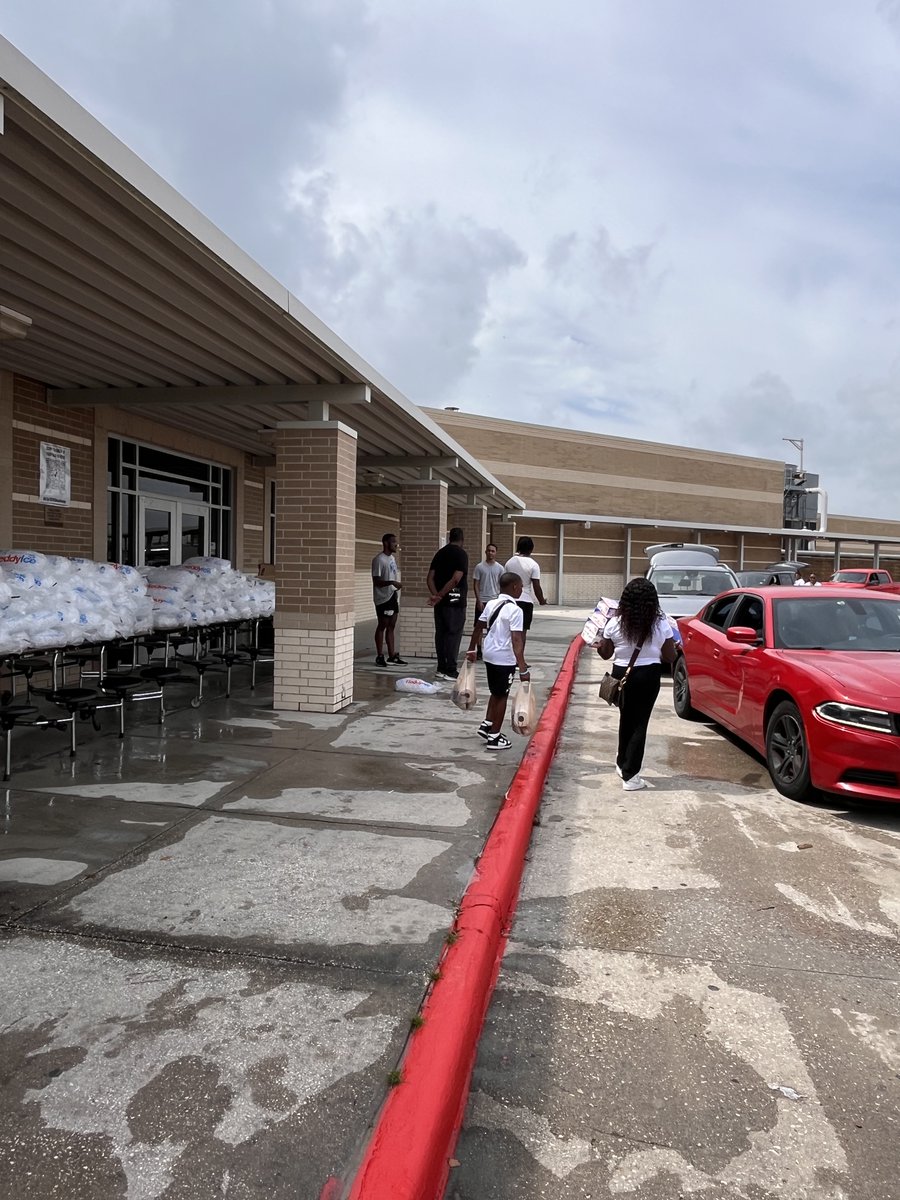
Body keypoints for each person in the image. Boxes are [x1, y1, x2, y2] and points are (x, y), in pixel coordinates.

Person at [597, 577, 676, 791]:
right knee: (640, 723)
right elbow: (670, 656)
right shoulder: (661, 623)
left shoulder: (614, 622)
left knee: (627, 719)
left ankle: (622, 764)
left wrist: (600, 640)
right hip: (648, 674)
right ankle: (631, 777)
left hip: (621, 672)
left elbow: (605, 654)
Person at [465, 571, 529, 751]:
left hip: (489, 654)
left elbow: (478, 626)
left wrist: (472, 649)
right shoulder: (516, 610)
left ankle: (487, 725)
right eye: (521, 587)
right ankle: (494, 736)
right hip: (504, 658)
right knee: (502, 695)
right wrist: (523, 667)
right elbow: (517, 640)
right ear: (515, 587)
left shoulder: (491, 604)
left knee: (495, 690)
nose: (522, 590)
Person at [427, 527, 468, 681]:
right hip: (455, 599)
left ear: (450, 537)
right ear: (462, 539)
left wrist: (436, 595)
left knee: (441, 633)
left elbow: (430, 577)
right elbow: (456, 579)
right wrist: (441, 594)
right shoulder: (461, 554)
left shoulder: (440, 553)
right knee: (453, 633)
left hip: (441, 601)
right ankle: (450, 669)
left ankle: (441, 667)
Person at [371, 533, 406, 667]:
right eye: (393, 542)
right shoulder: (379, 560)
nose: (396, 545)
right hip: (383, 598)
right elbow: (377, 581)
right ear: (386, 543)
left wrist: (395, 586)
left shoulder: (392, 558)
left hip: (392, 595)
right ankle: (380, 656)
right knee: (382, 625)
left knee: (392, 625)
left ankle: (392, 655)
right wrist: (392, 582)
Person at [504, 535, 546, 641]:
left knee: (508, 631)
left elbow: (504, 582)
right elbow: (536, 586)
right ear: (531, 548)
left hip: (510, 601)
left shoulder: (509, 562)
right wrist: (541, 600)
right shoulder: (533, 565)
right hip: (525, 601)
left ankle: (509, 655)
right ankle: (519, 655)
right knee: (522, 632)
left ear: (518, 547)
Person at [472, 543, 504, 660]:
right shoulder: (479, 567)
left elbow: (502, 586)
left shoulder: (500, 568)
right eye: (489, 550)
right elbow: (475, 584)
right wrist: (478, 600)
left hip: (494, 601)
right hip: (482, 600)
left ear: (496, 553)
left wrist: (500, 600)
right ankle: (479, 649)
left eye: (493, 551)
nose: (490, 553)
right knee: (479, 627)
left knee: (493, 627)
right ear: (485, 552)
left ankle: (491, 649)